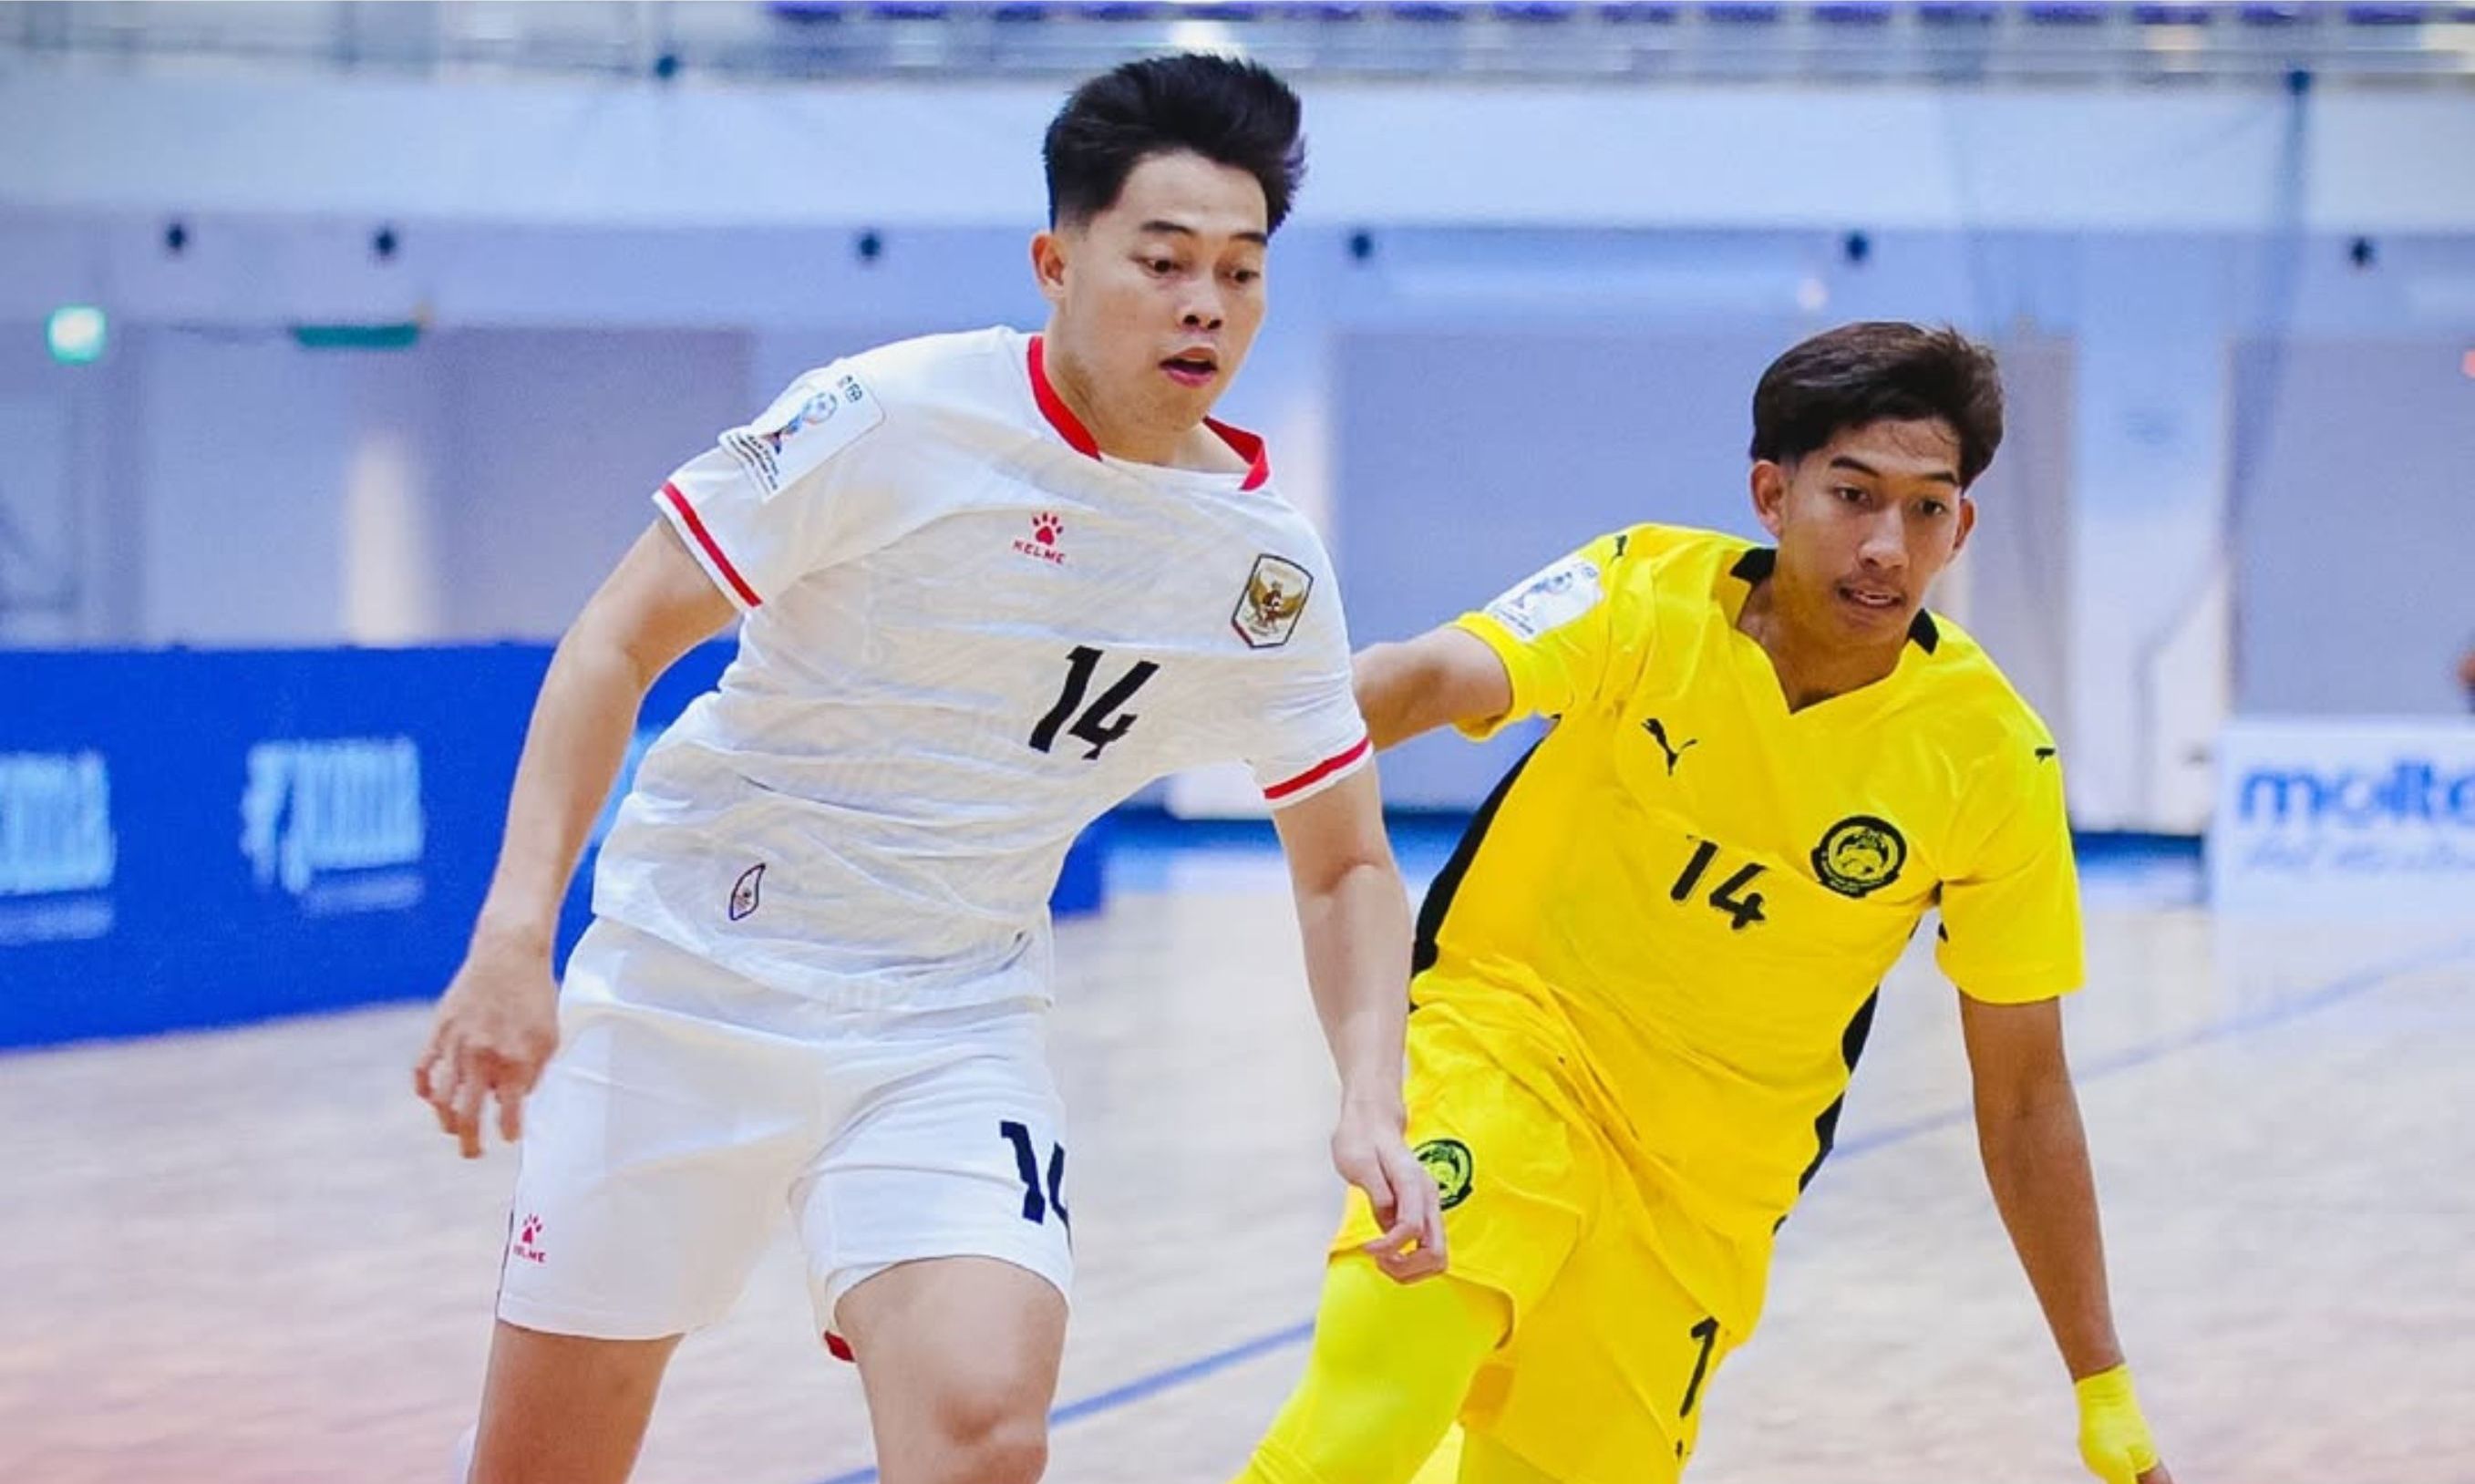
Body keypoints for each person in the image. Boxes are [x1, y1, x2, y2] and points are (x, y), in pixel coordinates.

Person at [412, 53, 1443, 1484]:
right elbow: (613, 640)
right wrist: (515, 936)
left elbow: (1342, 864)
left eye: (1240, 271)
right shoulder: (884, 418)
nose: (1205, 303)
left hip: (945, 1026)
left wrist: (1367, 1092)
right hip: (684, 988)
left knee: (983, 1431)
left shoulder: (1262, 573)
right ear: (1055, 261)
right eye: (1162, 261)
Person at [1235, 322, 2170, 1484]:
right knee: (1366, 1415)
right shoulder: (1644, 585)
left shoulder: (1992, 760)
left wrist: (2102, 1379)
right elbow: (1438, 675)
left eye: (1928, 508)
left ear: (1962, 526)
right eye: (1853, 493)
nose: (1888, 543)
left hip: (1702, 1192)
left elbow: (2026, 1093)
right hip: (1513, 1049)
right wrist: (1271, 697)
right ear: (1772, 493)